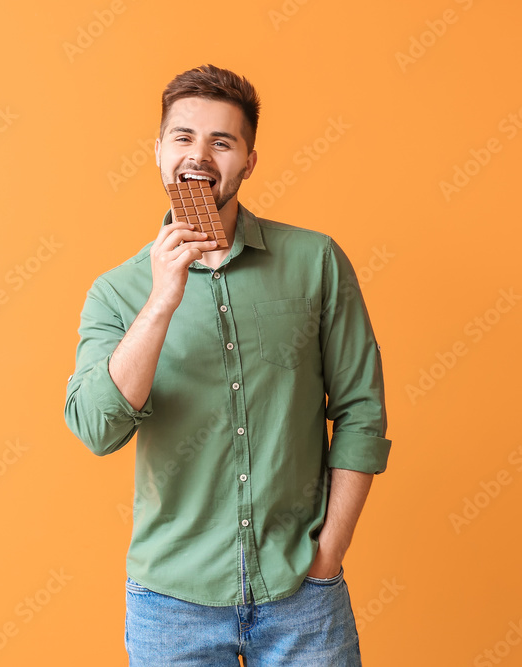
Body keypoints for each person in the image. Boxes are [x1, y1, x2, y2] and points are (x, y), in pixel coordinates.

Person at [64, 63, 391, 666]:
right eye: (184, 137)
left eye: (222, 141)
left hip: (302, 595)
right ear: (158, 151)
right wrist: (162, 299)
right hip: (172, 606)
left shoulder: (315, 261)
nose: (201, 156)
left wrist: (328, 554)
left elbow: (361, 412)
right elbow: (96, 429)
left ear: (249, 160)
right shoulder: (116, 292)